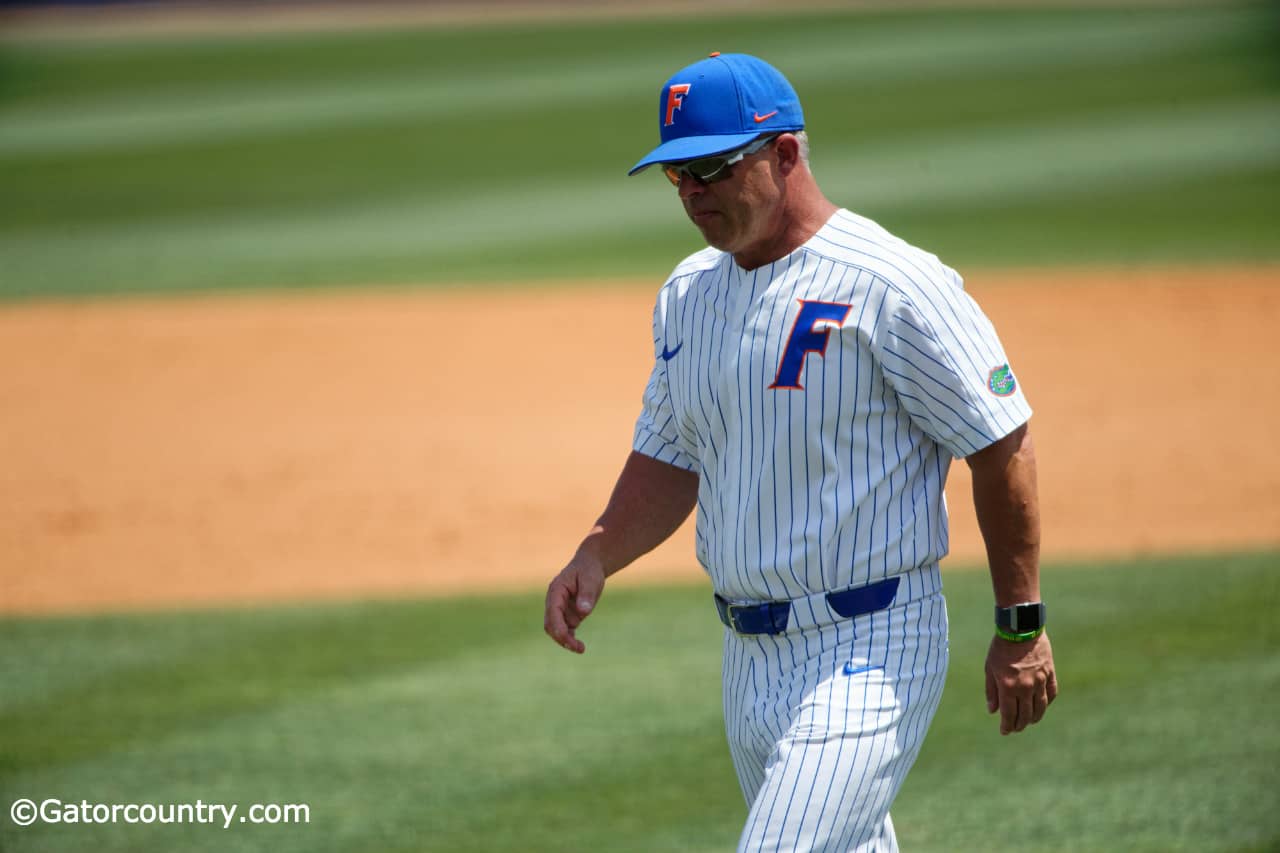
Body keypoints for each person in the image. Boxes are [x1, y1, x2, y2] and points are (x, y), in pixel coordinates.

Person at [544, 52, 1057, 852]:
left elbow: (1000, 442)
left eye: (711, 167)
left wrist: (1020, 622)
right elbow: (670, 452)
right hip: (747, 659)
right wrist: (598, 552)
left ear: (784, 154)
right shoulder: (687, 294)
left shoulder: (891, 282)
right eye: (677, 174)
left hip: (872, 643)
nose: (692, 193)